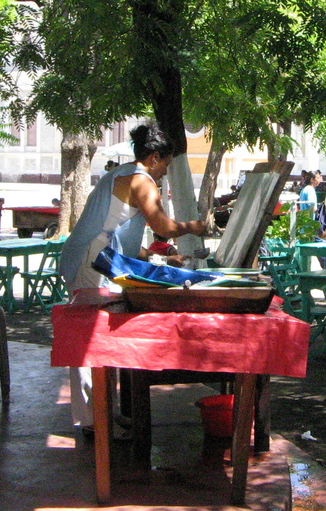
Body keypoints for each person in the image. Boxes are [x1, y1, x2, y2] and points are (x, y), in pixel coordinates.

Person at [59, 123, 209, 432]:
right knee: (89, 337)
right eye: (165, 165)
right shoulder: (142, 180)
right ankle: (92, 421)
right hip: (90, 259)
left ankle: (99, 411)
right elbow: (165, 227)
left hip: (91, 254)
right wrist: (194, 226)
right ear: (154, 157)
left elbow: (124, 242)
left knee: (95, 334)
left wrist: (161, 258)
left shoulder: (121, 174)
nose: (165, 173)